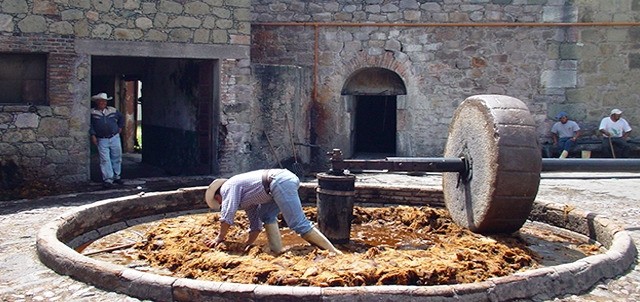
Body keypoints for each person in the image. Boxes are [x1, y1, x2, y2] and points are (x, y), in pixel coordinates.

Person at [204, 169, 342, 254]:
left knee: (297, 223)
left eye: (219, 203)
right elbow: (255, 224)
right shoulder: (245, 198)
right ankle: (277, 250)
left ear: (217, 197)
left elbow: (228, 214)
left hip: (278, 182)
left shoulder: (227, 187)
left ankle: (333, 252)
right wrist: (248, 244)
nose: (222, 204)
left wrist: (219, 238)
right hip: (276, 185)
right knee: (266, 215)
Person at [89, 92, 124, 188]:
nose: (102, 103)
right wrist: (93, 135)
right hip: (102, 138)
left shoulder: (112, 110)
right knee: (105, 159)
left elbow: (121, 118)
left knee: (117, 157)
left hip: (114, 137)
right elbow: (90, 125)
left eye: (104, 101)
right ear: (97, 102)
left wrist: (120, 127)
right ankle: (108, 178)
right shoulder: (92, 112)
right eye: (100, 101)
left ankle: (117, 176)